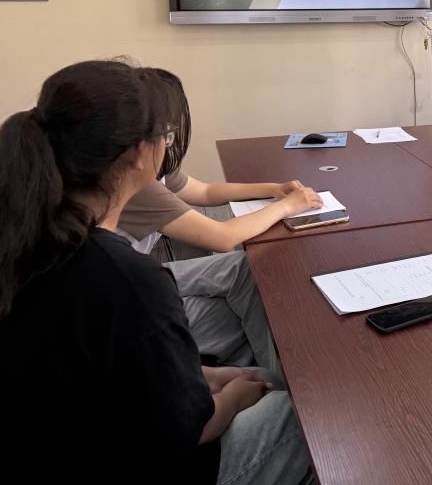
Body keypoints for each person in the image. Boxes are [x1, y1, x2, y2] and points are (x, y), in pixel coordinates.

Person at [0, 60, 315, 485]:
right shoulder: (126, 281)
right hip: (119, 461)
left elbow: (98, 365)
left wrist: (205, 376)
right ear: (139, 152)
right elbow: (186, 430)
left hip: (29, 446)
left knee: (261, 378)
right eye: (165, 136)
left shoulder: (19, 240)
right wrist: (230, 399)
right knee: (304, 414)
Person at [119, 66, 322, 374]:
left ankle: (265, 370)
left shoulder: (151, 168)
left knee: (244, 269)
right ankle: (277, 379)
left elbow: (205, 191)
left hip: (140, 277)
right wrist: (286, 207)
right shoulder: (139, 185)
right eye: (169, 133)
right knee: (239, 303)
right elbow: (222, 237)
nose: (172, 138)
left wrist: (272, 189)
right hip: (129, 295)